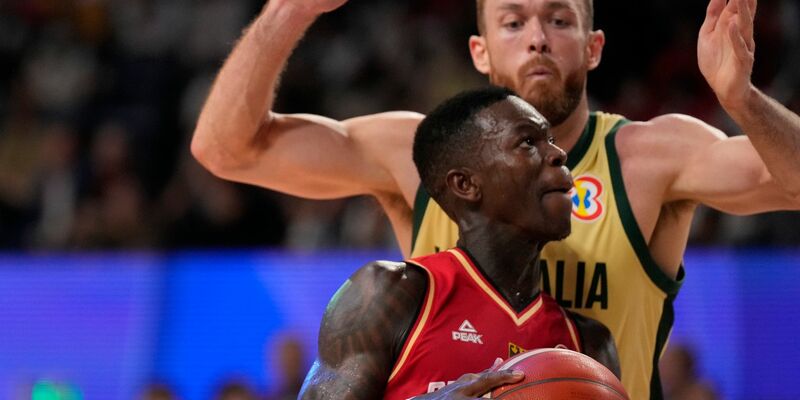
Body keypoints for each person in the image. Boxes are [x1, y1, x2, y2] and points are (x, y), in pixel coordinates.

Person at [190, 0, 800, 398]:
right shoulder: (423, 152)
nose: (537, 39)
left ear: (593, 46)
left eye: (560, 20)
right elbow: (227, 150)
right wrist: (288, 12)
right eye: (513, 22)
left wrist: (741, 98)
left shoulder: (651, 155)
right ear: (480, 51)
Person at [298, 87, 620, 399]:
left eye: (550, 140)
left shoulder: (588, 345)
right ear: (466, 185)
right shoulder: (388, 294)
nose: (558, 153)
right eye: (527, 142)